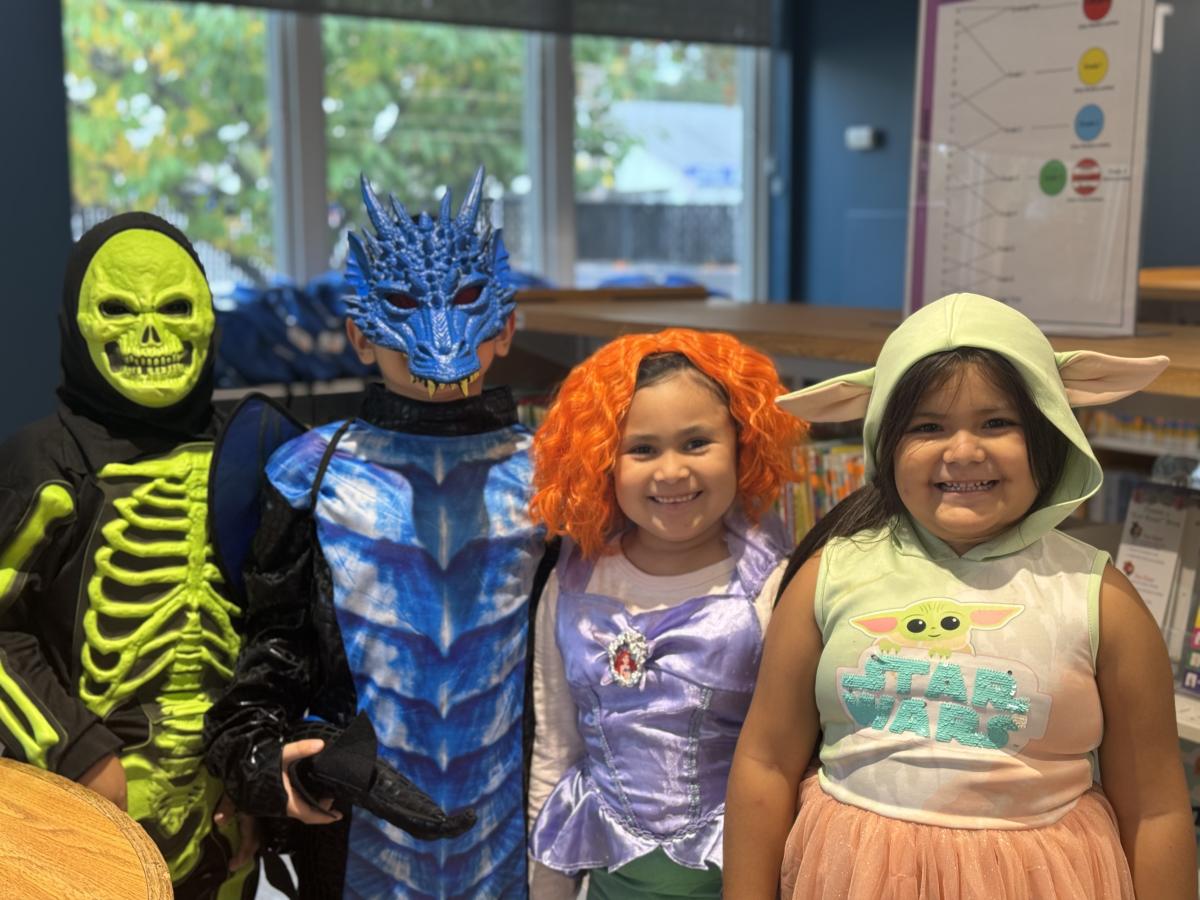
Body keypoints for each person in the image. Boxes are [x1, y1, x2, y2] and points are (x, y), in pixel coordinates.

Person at [723, 292, 1195, 899]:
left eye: (997, 422)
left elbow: (1155, 808)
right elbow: (764, 763)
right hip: (848, 877)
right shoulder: (828, 575)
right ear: (885, 443)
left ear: (1048, 434)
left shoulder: (1100, 597)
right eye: (928, 426)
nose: (964, 451)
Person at [204, 167, 547, 898]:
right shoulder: (308, 473)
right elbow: (273, 652)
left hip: (520, 839)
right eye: (402, 306)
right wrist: (267, 763)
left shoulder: (554, 473)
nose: (438, 335)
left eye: (463, 300)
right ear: (360, 334)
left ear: (506, 325)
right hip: (357, 840)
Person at [0, 212, 258, 897]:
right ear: (77, 326)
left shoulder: (243, 453)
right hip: (83, 820)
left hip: (224, 826)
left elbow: (282, 624)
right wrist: (73, 748)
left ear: (207, 317)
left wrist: (257, 766)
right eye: (119, 310)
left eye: (175, 309)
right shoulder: (48, 464)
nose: (151, 335)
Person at [526, 328, 808, 899]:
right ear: (601, 460)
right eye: (643, 449)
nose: (672, 472)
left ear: (742, 443)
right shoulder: (572, 581)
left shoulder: (777, 584)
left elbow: (795, 759)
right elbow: (555, 750)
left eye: (697, 442)